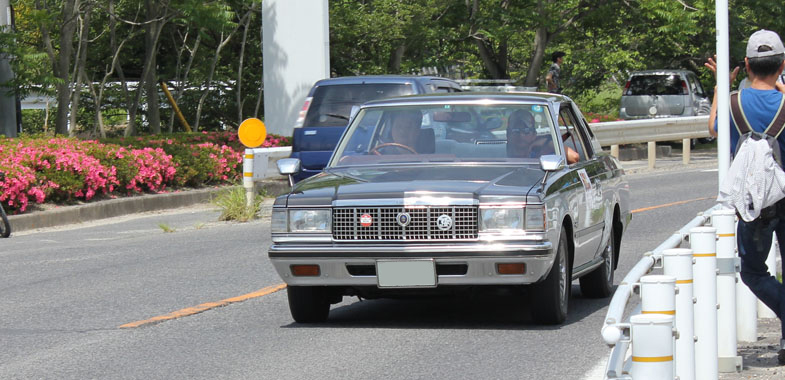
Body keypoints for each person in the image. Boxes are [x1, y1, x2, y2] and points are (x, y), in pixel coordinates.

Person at [706, 29, 785, 364]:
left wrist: (720, 88)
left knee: (753, 272)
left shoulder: (735, 103)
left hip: (755, 205)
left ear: (747, 66)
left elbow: (713, 129)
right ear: (782, 66)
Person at [507, 109, 579, 164]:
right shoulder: (498, 157)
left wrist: (548, 142)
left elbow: (574, 157)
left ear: (534, 134)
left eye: (526, 130)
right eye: (515, 130)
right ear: (508, 134)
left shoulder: (545, 154)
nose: (521, 135)